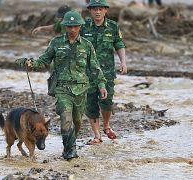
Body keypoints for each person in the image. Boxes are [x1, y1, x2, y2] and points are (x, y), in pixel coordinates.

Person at [16, 10, 107, 160]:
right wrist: (31, 63)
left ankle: (69, 146)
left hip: (81, 89)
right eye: (69, 26)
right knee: (66, 120)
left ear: (80, 27)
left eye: (75, 26)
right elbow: (44, 60)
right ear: (64, 26)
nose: (72, 30)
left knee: (77, 123)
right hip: (62, 89)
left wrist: (102, 85)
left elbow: (95, 67)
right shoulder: (56, 43)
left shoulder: (87, 45)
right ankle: (69, 151)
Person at [80, 0, 127, 145]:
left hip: (106, 72)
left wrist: (123, 62)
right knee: (91, 104)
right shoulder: (83, 26)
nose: (97, 12)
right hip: (87, 73)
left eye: (100, 9)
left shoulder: (113, 27)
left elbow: (119, 44)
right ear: (90, 11)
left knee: (106, 102)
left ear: (106, 10)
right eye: (94, 9)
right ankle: (97, 135)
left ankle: (106, 126)